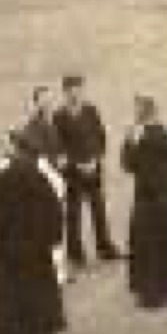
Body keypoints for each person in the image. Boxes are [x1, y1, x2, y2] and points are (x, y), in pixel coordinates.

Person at [0, 133, 66, 334]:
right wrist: (51, 241)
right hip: (37, 250)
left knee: (7, 301)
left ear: (15, 149)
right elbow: (55, 213)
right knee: (36, 296)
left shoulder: (0, 178)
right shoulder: (40, 178)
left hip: (8, 249)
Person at [121, 96, 167, 308]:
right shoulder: (148, 133)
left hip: (156, 198)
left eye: (139, 110)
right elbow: (128, 164)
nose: (136, 113)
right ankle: (156, 288)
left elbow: (150, 162)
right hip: (149, 196)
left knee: (153, 244)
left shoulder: (157, 135)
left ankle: (155, 292)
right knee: (149, 243)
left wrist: (136, 141)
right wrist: (130, 141)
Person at [56, 75, 119, 269]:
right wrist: (76, 164)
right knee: (73, 215)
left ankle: (105, 247)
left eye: (79, 89)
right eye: (72, 89)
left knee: (98, 210)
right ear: (65, 92)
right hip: (73, 174)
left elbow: (101, 136)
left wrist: (96, 159)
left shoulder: (91, 110)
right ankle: (76, 254)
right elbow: (59, 146)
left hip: (93, 170)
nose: (77, 93)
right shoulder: (59, 116)